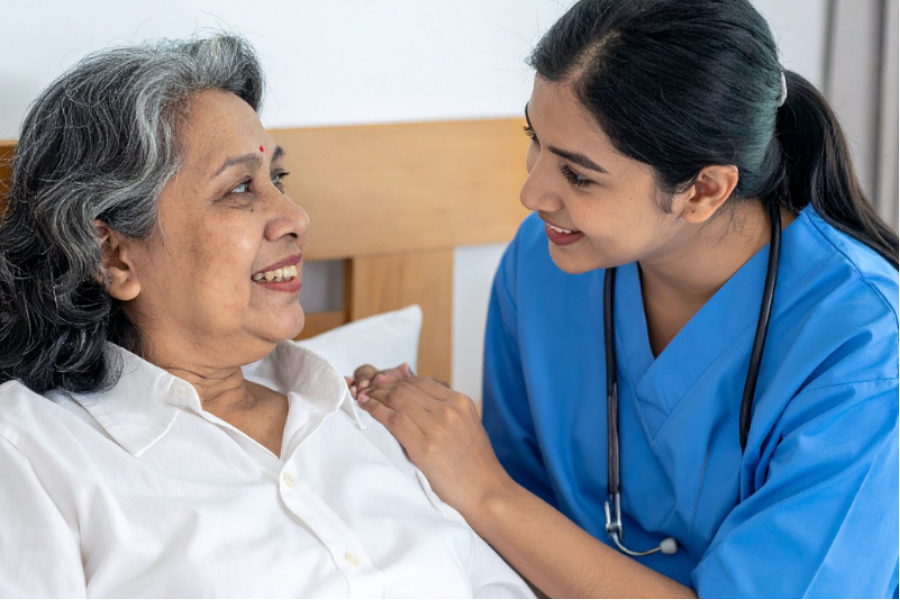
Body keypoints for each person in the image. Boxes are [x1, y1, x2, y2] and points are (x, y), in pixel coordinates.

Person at [350, 1, 900, 598]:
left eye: (579, 176)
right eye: (535, 139)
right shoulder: (540, 266)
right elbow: (507, 539)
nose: (531, 193)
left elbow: (498, 498)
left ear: (703, 190)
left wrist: (485, 491)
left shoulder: (866, 350)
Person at [0, 35, 535, 600]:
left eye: (277, 180)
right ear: (113, 256)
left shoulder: (373, 418)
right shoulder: (31, 454)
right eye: (239, 188)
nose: (296, 217)